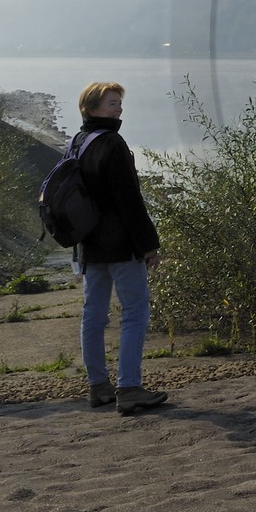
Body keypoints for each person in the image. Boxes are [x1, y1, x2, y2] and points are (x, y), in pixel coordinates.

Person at [73, 81, 167, 415]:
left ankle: (98, 386)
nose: (119, 109)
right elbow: (129, 201)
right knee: (135, 312)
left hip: (89, 245)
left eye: (119, 103)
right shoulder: (112, 143)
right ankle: (128, 388)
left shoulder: (78, 142)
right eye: (112, 104)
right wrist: (149, 245)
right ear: (92, 107)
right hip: (120, 245)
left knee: (94, 316)